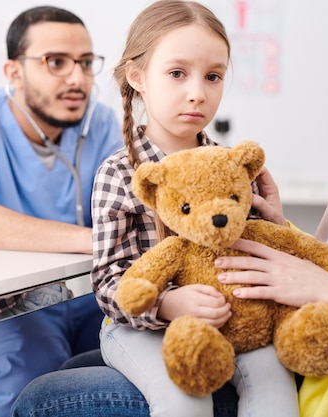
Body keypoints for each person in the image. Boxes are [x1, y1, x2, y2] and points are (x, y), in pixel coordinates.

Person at [13, 0, 328, 416]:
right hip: (191, 317)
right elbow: (124, 281)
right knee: (72, 367)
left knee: (43, 398)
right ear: (138, 77)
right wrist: (275, 224)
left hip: (285, 336)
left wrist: (327, 288)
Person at [91, 1, 298, 416]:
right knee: (183, 397)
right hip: (139, 329)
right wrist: (168, 303)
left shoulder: (230, 166)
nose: (198, 93)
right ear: (137, 76)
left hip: (230, 317)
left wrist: (279, 224)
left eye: (214, 76)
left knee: (276, 386)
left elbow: (255, 247)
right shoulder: (118, 173)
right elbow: (109, 281)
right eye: (177, 73)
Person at [0, 6, 122, 417]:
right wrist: (92, 238)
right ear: (13, 72)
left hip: (80, 292)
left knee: (133, 350)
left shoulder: (99, 124)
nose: (77, 78)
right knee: (30, 372)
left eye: (86, 63)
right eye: (56, 62)